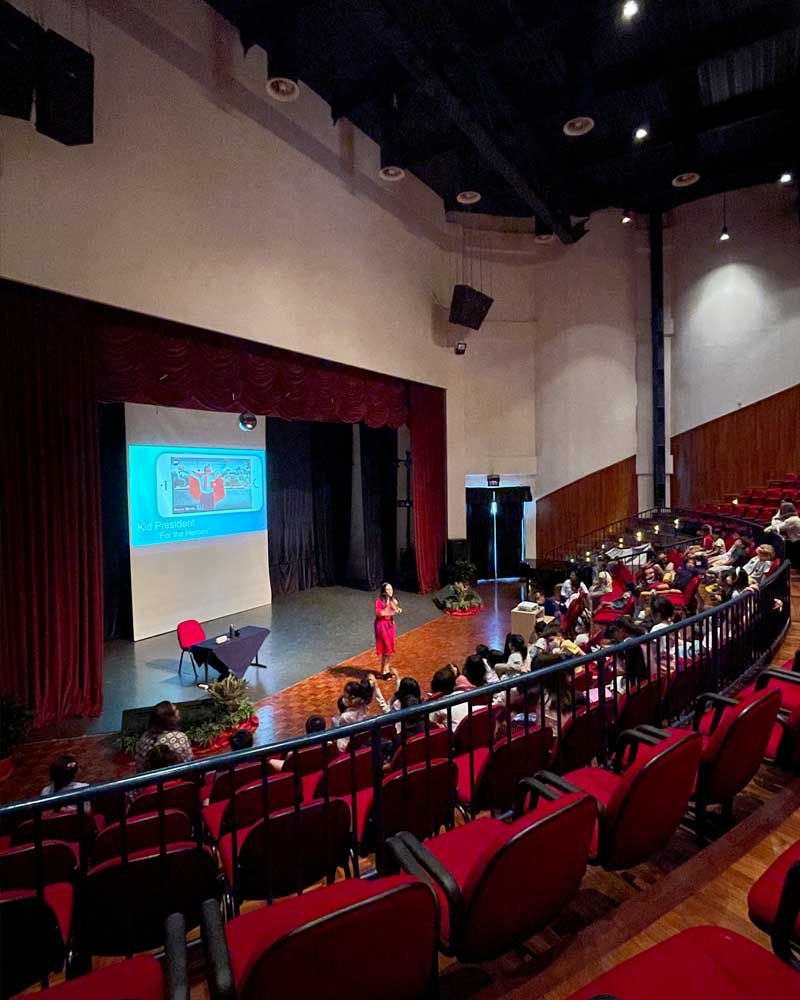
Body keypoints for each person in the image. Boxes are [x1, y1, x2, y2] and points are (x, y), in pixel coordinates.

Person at [332, 675, 389, 752]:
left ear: (352, 698)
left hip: (347, 748)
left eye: (345, 696)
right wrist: (375, 687)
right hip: (362, 744)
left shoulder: (345, 717)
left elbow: (342, 740)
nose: (343, 699)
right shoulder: (364, 706)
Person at [134, 701, 193, 772]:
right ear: (170, 717)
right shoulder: (178, 737)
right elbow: (188, 761)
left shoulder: (145, 736)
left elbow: (139, 764)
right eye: (175, 710)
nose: (178, 711)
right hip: (176, 778)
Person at [374, 582, 402, 681]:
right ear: (384, 592)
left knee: (389, 649)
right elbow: (380, 613)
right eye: (388, 590)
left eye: (391, 589)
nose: (390, 591)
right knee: (386, 648)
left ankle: (386, 669)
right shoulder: (379, 601)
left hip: (390, 625)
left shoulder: (392, 600)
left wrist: (395, 609)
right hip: (382, 626)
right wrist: (392, 610)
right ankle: (383, 671)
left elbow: (396, 609)